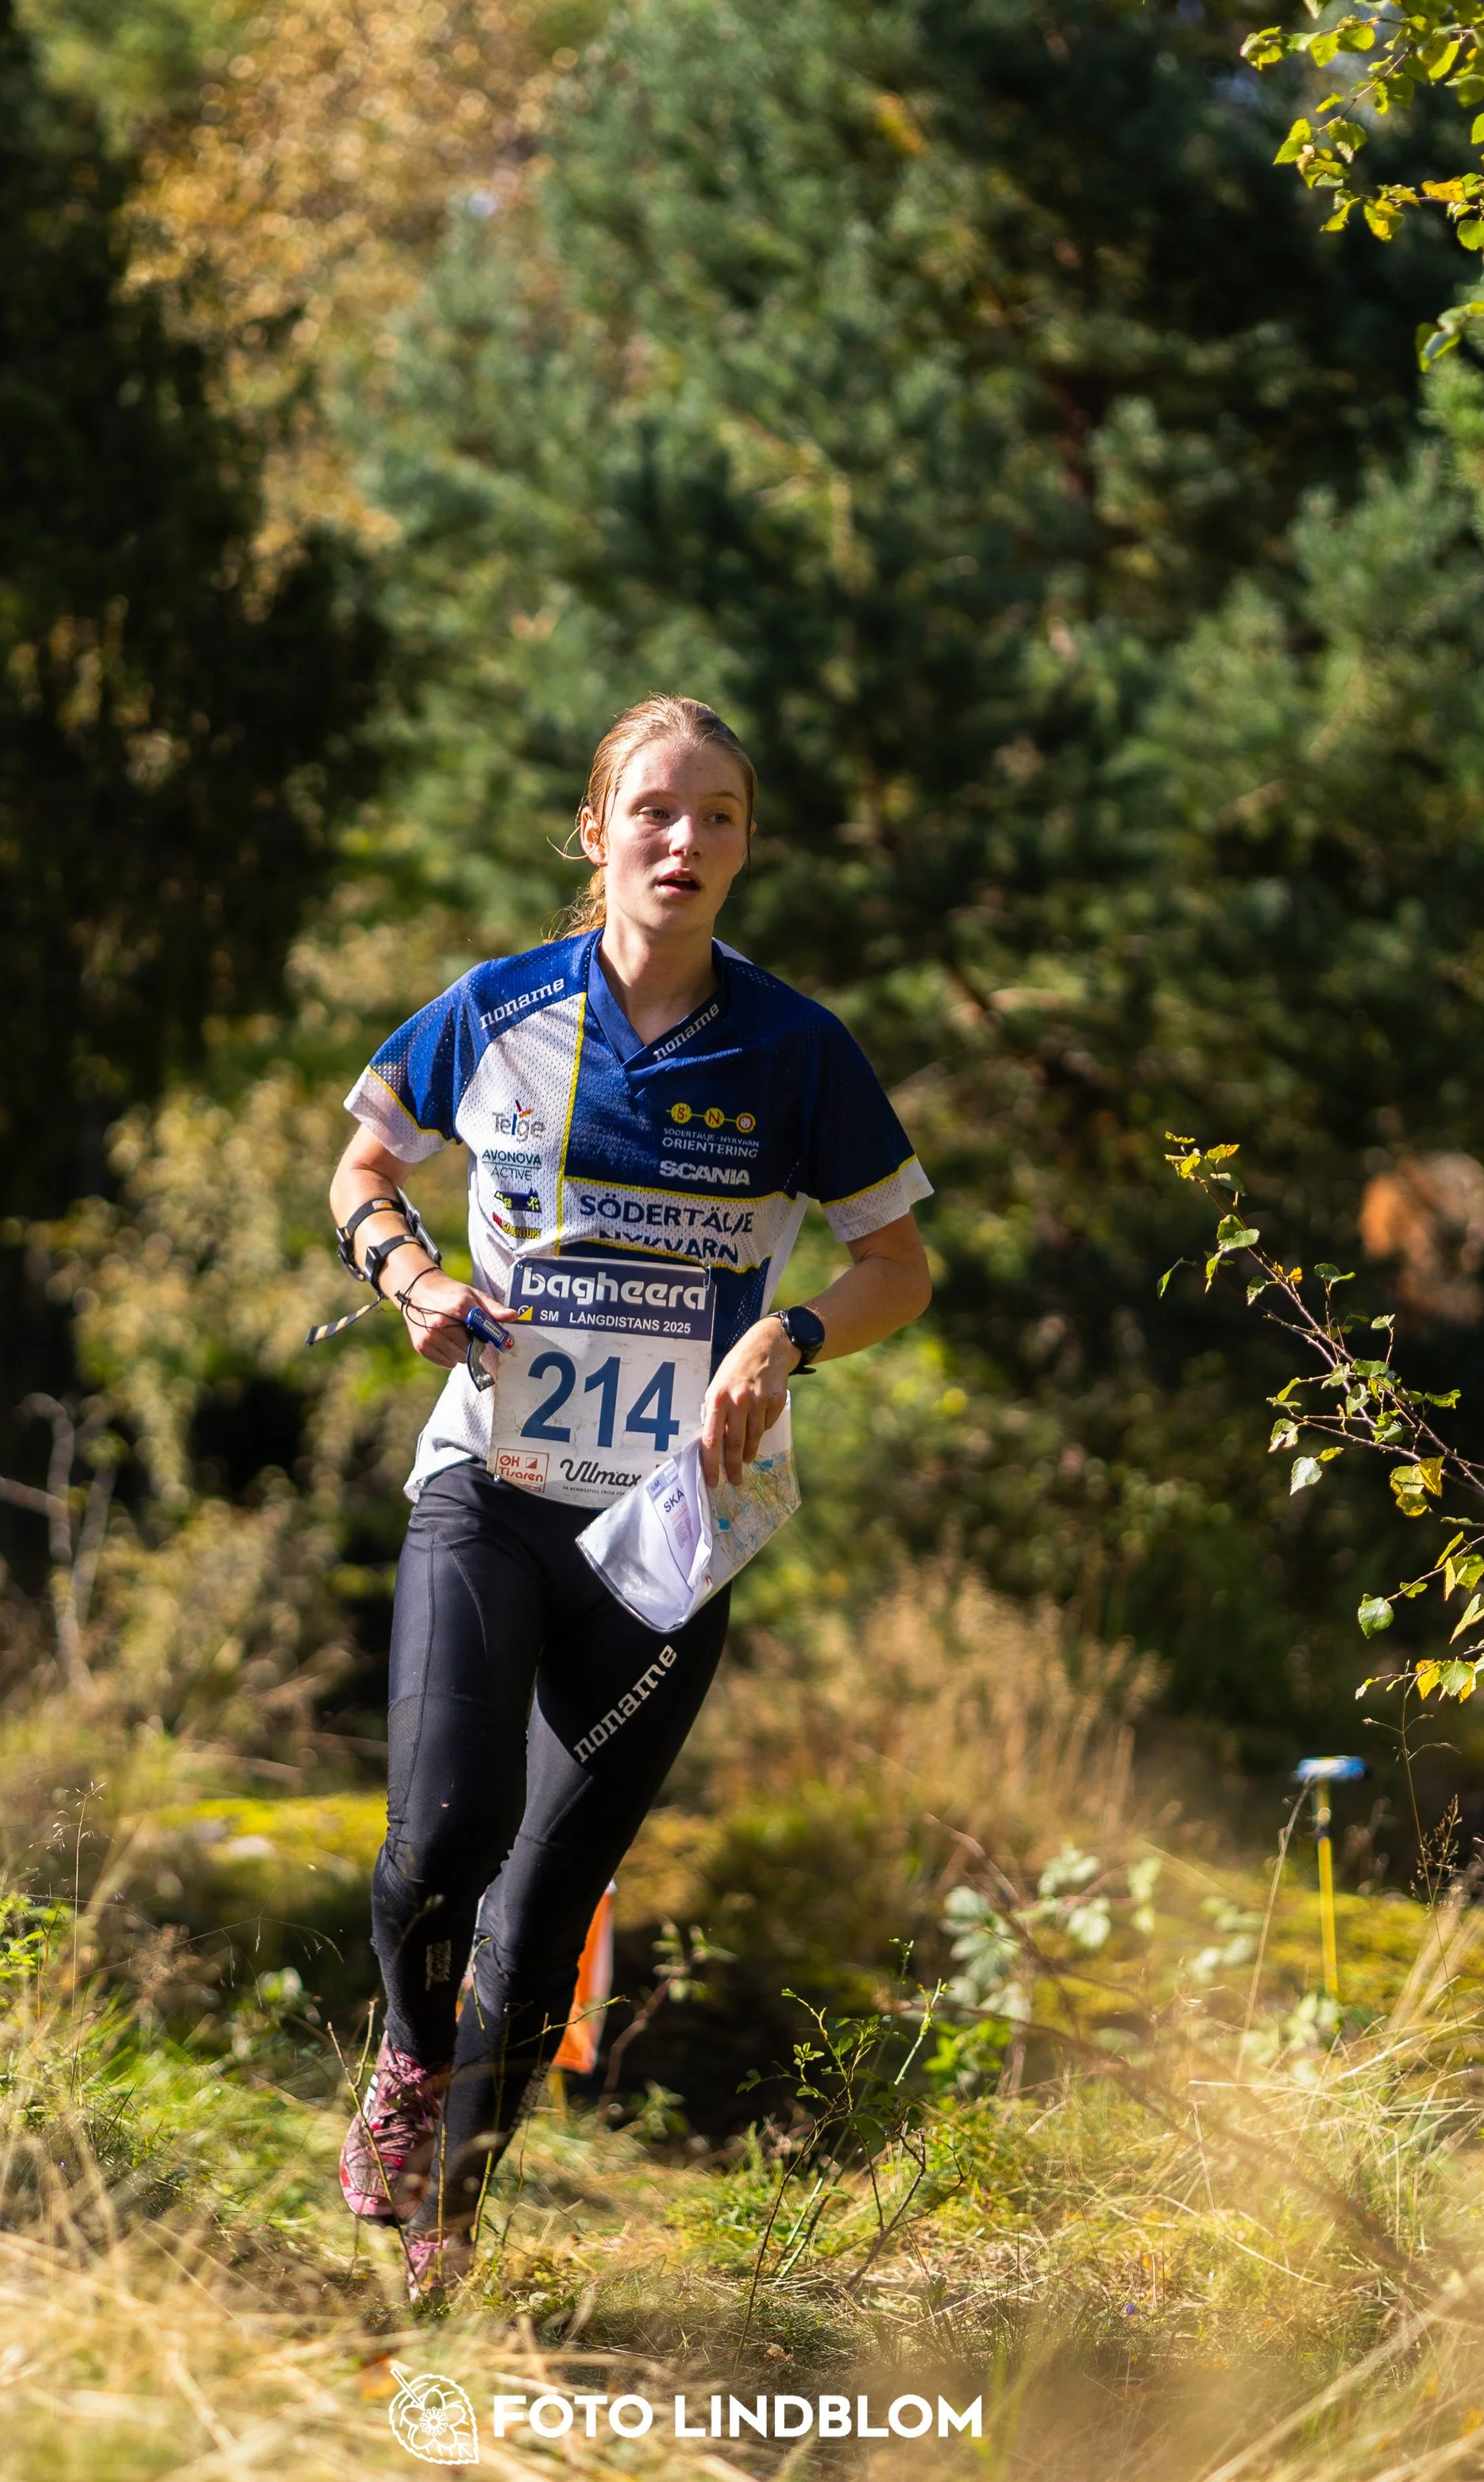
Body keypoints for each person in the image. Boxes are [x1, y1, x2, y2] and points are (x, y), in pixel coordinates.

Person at [328, 694, 933, 2296]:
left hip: (667, 1534)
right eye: (654, 811)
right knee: (440, 1830)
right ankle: (404, 2067)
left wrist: (787, 1338)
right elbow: (362, 1171)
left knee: (541, 1916)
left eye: (718, 815)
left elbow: (896, 1263)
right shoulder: (492, 1008)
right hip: (493, 1482)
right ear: (593, 832)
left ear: (744, 844)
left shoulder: (795, 1048)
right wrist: (409, 1279)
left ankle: (451, 2211)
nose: (685, 841)